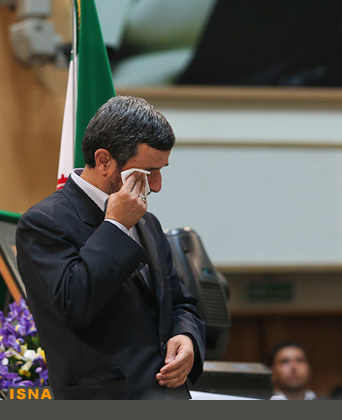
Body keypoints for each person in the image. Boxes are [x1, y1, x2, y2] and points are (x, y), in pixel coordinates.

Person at [15, 95, 206, 399]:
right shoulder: (43, 222)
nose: (157, 185)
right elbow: (73, 305)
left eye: (162, 170)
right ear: (104, 161)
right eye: (147, 172)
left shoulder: (148, 222)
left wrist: (186, 336)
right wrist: (115, 226)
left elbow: (180, 301)